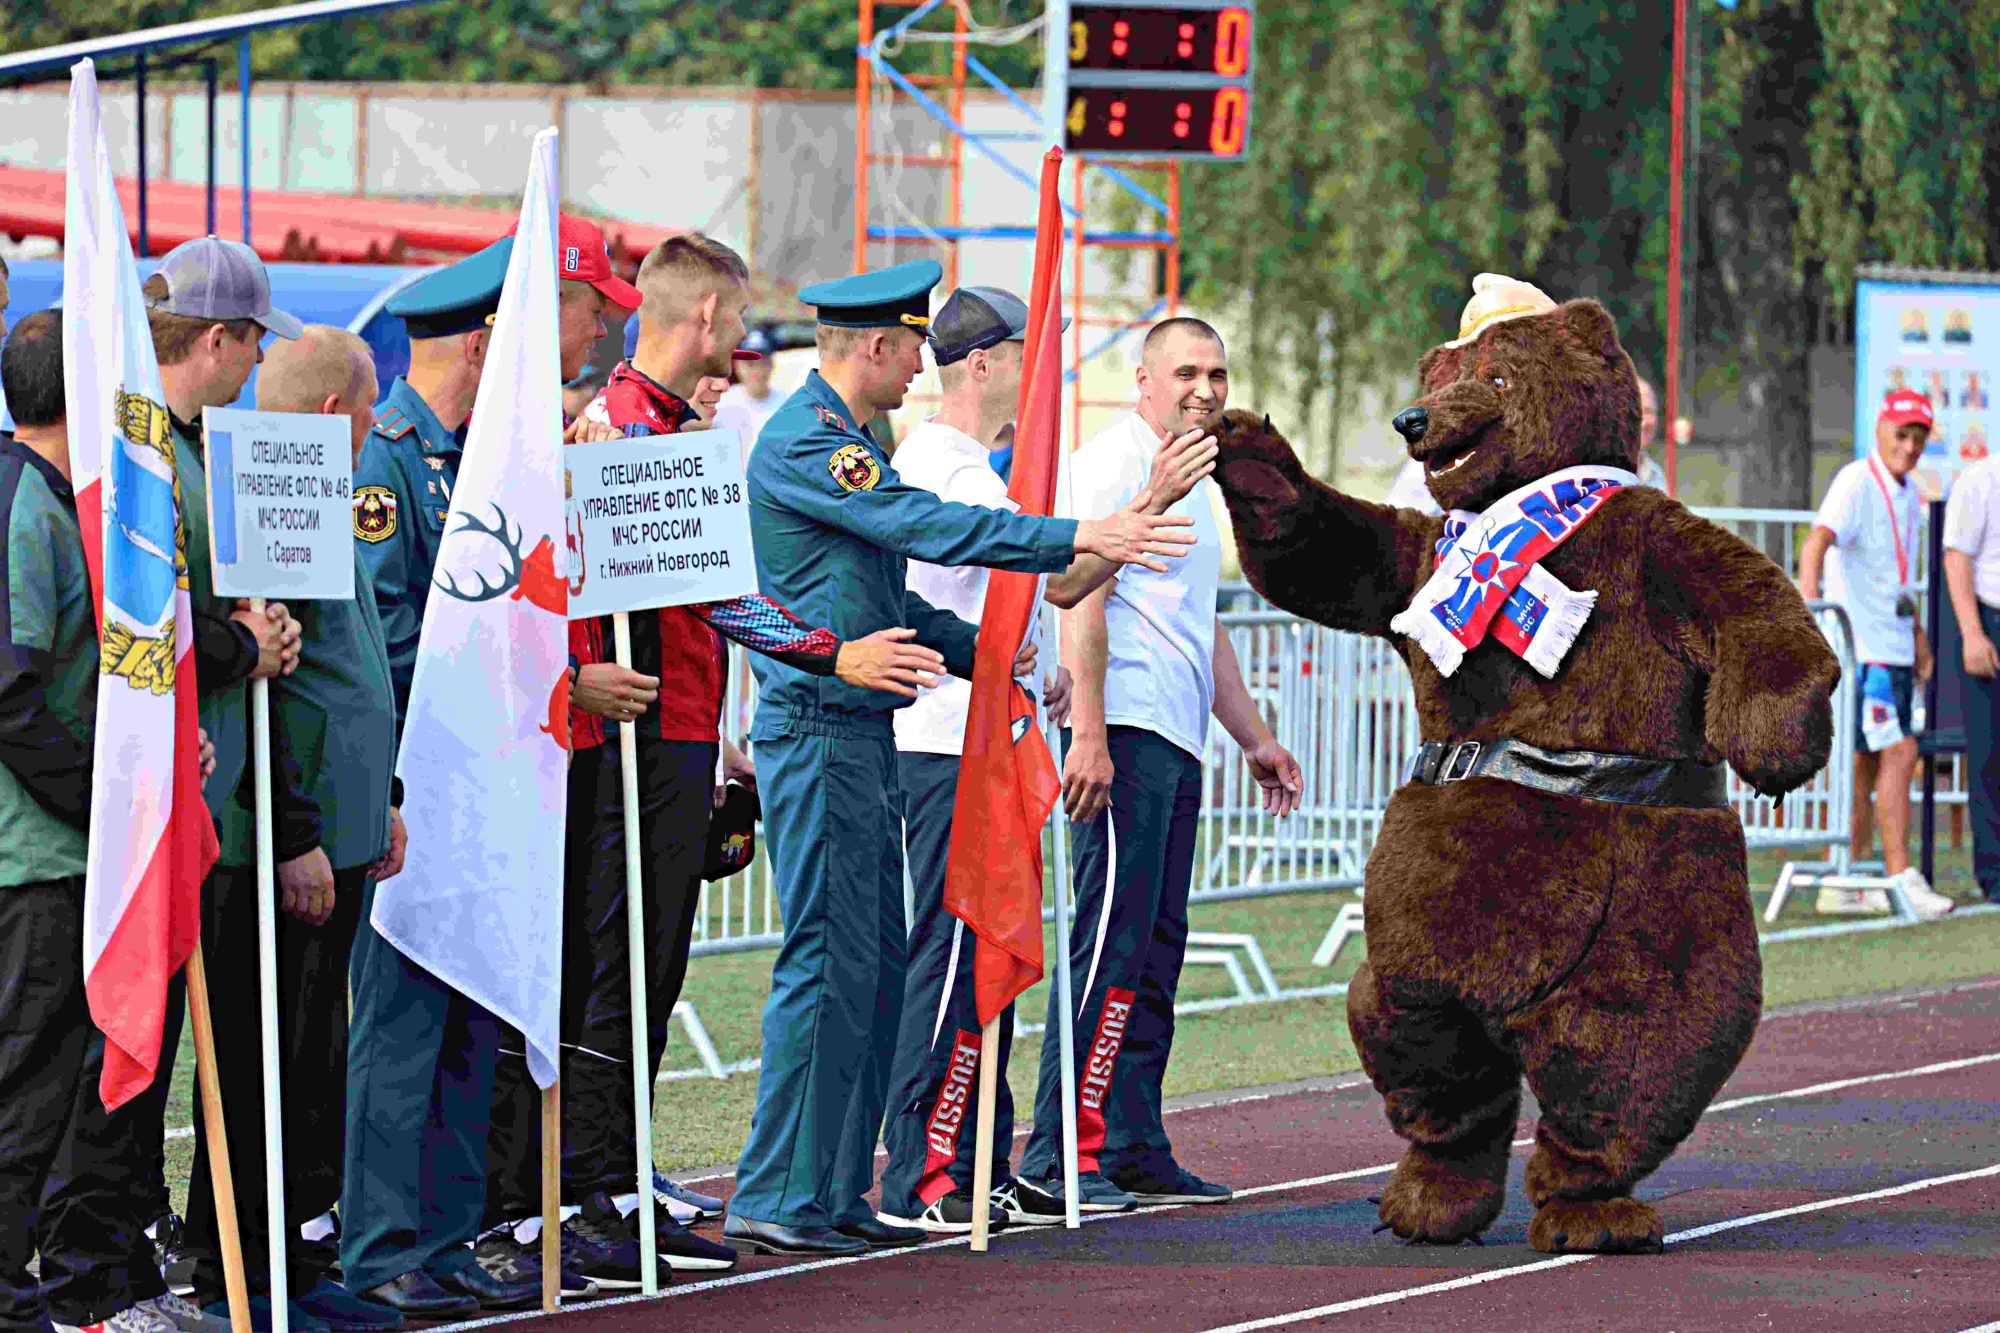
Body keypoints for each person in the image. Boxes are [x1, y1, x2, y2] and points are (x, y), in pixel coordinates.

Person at [722, 258, 1197, 1258]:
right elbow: (918, 526)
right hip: (817, 724)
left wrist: (989, 665)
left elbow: (889, 600)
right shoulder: (815, 440)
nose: (916, 369)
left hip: (865, 728)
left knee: (874, 969)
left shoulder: (855, 440)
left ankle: (833, 1190)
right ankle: (779, 1186)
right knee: (826, 965)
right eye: (906, 347)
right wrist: (1076, 530)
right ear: (877, 345)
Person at [480, 233, 929, 1285]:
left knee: (649, 968)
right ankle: (586, 1186)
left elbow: (703, 593)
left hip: (680, 728)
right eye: (730, 318)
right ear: (699, 321)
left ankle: (615, 1176)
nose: (737, 339)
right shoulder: (624, 429)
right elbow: (703, 592)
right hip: (631, 736)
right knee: (616, 971)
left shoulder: (667, 425)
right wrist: (829, 649)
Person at [875, 286, 1218, 1234]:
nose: (1043, 370)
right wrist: (1151, 501)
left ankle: (975, 1159)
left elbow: (1015, 603)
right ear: (981, 363)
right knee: (951, 959)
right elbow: (1063, 578)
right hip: (946, 743)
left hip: (991, 735)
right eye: (1029, 350)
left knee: (991, 957)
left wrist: (1037, 673)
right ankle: (922, 1170)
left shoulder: (975, 467)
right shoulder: (945, 466)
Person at [342, 219, 635, 1321]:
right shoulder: (390, 461)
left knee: (476, 1006)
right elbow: (389, 629)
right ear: (476, 344)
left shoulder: (477, 462)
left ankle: (451, 1230)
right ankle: (383, 1243)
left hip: (489, 775)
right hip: (420, 776)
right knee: (407, 1018)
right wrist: (521, 689)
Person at [52, 237, 304, 1333]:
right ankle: (92, 1282)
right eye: (252, 343)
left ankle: (133, 1268)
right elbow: (134, 602)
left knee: (147, 1069)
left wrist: (257, 637)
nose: (257, 365)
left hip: (197, 799)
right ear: (218, 338)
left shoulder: (190, 444)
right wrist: (241, 646)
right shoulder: (140, 443)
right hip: (139, 803)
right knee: (114, 1064)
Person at [1015, 317, 1303, 1215]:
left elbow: (1198, 620)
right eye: (1186, 372)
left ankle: (1134, 1138)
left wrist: (1254, 734)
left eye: (1218, 373)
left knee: (1155, 947)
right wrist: (1089, 733)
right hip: (1126, 731)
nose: (1205, 389)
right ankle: (1063, 1147)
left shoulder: (1195, 475)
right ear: (1143, 380)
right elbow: (1075, 594)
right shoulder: (1114, 465)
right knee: (1106, 940)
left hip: (1178, 736)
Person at [175, 328, 408, 1333]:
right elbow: (270, 690)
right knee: (267, 1052)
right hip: (284, 834)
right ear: (329, 418)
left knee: (315, 1057)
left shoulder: (310, 493)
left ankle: (298, 1259)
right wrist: (297, 832)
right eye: (363, 421)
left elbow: (344, 658)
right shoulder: (268, 493)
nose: (369, 440)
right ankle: (242, 1270)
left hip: (342, 823)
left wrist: (380, 797)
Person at [0, 310, 218, 1333]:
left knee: (47, 1088)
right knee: (28, 1089)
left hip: (60, 844)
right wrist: (112, 793)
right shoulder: (27, 506)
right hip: (38, 852)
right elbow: (12, 690)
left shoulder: (49, 496)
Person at [1798, 389, 1955, 920]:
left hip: (1891, 645)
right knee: (1901, 751)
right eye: (1902, 433)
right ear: (1881, 428)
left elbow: (1897, 577)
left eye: (1918, 438)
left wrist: (1917, 638)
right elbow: (1816, 542)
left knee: (1864, 764)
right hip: (1863, 649)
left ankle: (1843, 875)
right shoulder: (1856, 480)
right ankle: (1898, 874)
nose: (1909, 446)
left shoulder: (1909, 491)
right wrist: (1811, 614)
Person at [1943, 449, 2000, 902]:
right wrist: (1972, 633)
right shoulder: (1980, 478)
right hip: (1991, 623)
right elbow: (1957, 559)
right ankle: (1996, 877)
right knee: (1990, 757)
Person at [710, 327, 782, 443]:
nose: (758, 370)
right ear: (737, 365)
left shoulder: (786, 405)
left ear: (772, 365)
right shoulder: (720, 405)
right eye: (750, 364)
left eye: (763, 363)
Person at [1633, 375, 1669, 489]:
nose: (1643, 422)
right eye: (1636, 411)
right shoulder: (1600, 476)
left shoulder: (1656, 476)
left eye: (1649, 411)